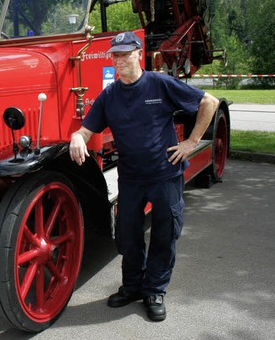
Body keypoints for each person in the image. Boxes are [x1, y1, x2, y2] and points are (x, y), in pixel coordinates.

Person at [69, 31, 219, 322]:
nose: (119, 59)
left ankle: (154, 291)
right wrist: (77, 136)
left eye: (126, 53)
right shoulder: (110, 95)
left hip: (164, 176)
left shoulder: (159, 83)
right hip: (131, 179)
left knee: (165, 234)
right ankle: (132, 287)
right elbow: (87, 129)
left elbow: (209, 102)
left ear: (139, 54)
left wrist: (191, 143)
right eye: (115, 54)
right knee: (128, 235)